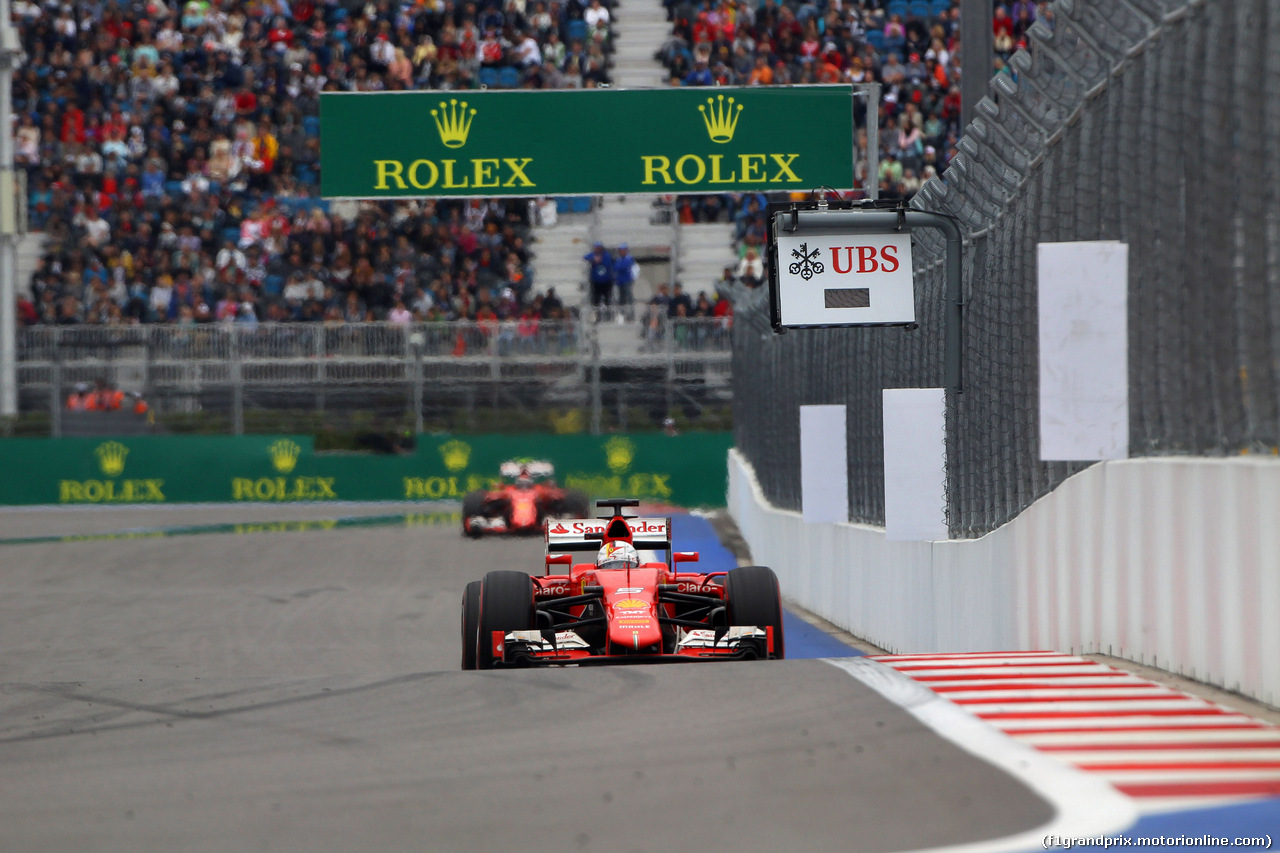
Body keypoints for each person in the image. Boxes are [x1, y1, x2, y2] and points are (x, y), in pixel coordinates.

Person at [583, 242, 614, 315]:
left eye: (597, 247)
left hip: (606, 281)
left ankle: (608, 315)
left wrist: (600, 261)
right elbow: (585, 257)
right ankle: (596, 315)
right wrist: (593, 260)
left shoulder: (606, 255)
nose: (596, 249)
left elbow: (608, 263)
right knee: (595, 300)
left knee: (607, 299)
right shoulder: (593, 254)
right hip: (596, 281)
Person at [612, 243, 639, 321]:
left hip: (627, 281)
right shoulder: (618, 259)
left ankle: (631, 315)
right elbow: (615, 268)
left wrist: (619, 268)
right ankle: (622, 315)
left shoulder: (629, 258)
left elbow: (624, 266)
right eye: (620, 250)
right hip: (619, 282)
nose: (621, 252)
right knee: (621, 299)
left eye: (623, 250)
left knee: (629, 297)